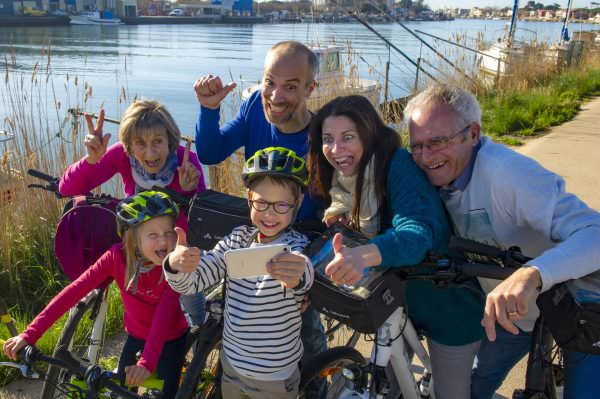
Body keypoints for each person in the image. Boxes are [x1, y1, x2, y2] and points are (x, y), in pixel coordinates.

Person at [403, 83, 600, 399]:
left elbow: (595, 231)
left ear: (473, 134)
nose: (426, 157)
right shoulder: (425, 177)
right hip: (512, 316)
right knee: (467, 389)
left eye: (438, 142)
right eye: (417, 145)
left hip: (575, 305)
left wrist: (531, 274)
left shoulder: (507, 175)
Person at [308, 95, 485, 399]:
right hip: (395, 301)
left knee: (451, 393)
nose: (336, 150)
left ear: (369, 133)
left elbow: (417, 233)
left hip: (446, 302)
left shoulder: (397, 165)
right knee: (387, 387)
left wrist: (363, 254)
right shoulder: (343, 179)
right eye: (328, 139)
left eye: (348, 137)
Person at [193, 40, 326, 367]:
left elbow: (331, 212)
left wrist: (313, 274)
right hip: (262, 229)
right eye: (270, 82)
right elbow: (211, 153)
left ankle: (321, 381)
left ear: (310, 88)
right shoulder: (254, 106)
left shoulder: (323, 136)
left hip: (302, 244)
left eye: (290, 87)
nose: (276, 96)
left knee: (305, 334)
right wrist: (208, 109)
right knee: (243, 317)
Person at [3, 191, 189, 399]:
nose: (164, 241)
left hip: (171, 338)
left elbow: (163, 317)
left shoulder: (174, 267)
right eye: (153, 235)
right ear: (133, 239)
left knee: (168, 395)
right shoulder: (115, 257)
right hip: (136, 336)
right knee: (121, 393)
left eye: (169, 232)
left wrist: (146, 363)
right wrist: (30, 334)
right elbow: (73, 291)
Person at [163, 147, 314, 399]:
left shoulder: (296, 245)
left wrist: (299, 273)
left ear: (297, 203)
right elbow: (195, 281)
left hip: (275, 376)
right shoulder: (237, 239)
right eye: (262, 202)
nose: (269, 213)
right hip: (231, 365)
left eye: (281, 205)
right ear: (248, 198)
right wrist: (176, 266)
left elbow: (304, 270)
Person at [58, 99, 207, 327]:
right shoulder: (121, 155)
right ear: (128, 145)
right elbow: (67, 189)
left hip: (175, 250)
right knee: (143, 315)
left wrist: (188, 194)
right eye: (140, 143)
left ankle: (199, 336)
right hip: (139, 248)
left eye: (158, 141)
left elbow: (199, 226)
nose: (150, 152)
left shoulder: (186, 163)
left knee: (191, 301)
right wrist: (90, 161)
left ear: (170, 140)